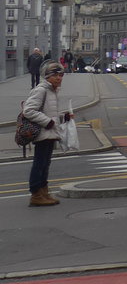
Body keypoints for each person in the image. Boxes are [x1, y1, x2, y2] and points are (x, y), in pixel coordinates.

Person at [21, 60, 74, 206]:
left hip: (50, 133)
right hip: (42, 133)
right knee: (39, 163)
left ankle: (44, 192)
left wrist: (64, 117)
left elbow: (50, 113)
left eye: (61, 75)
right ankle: (36, 195)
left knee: (45, 164)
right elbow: (29, 111)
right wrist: (47, 122)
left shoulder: (52, 90)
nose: (59, 78)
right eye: (55, 75)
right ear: (47, 76)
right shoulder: (41, 90)